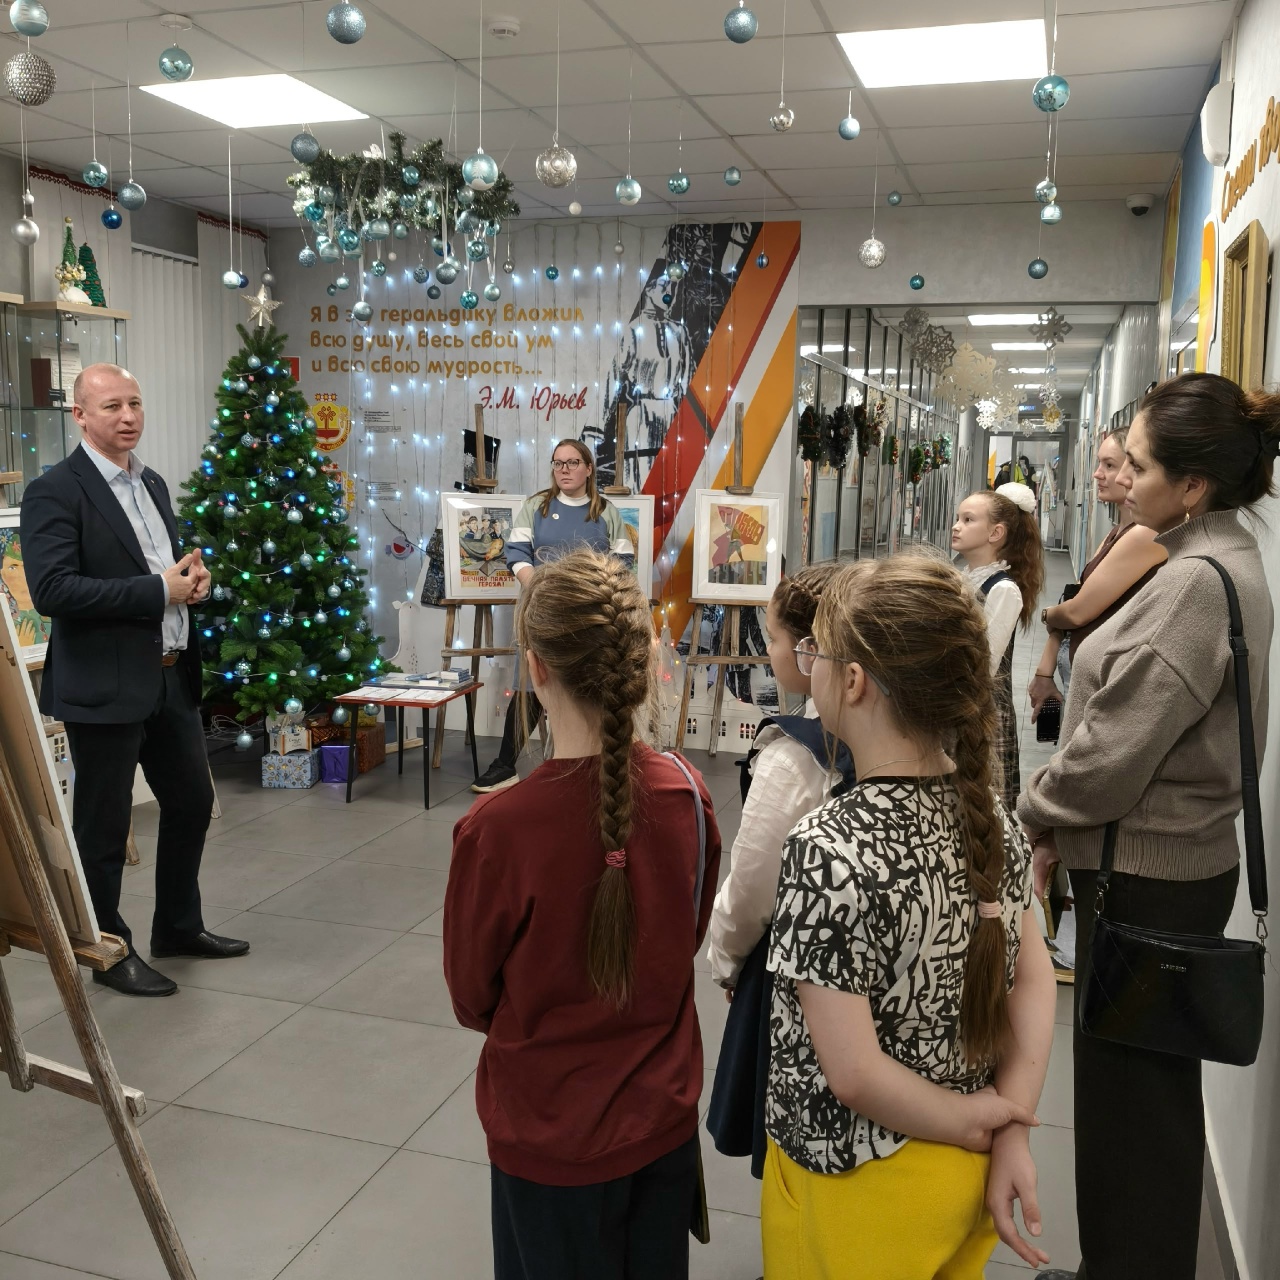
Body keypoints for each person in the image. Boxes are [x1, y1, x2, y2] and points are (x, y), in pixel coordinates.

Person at [1018, 373, 1277, 1280]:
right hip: (1162, 870)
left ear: (1193, 484)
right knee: (1140, 1103)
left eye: (1138, 464)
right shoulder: (1208, 553)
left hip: (1147, 882)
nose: (1121, 478)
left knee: (1131, 1111)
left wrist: (1031, 814)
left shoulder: (1196, 583)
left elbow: (1110, 758)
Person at [762, 555, 1057, 1279]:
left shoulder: (827, 849)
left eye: (817, 650)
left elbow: (853, 1074)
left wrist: (969, 1121)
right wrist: (1007, 1124)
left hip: (854, 1188)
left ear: (853, 682)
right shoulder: (993, 823)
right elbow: (1033, 980)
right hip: (964, 1178)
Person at [444, 548, 721, 1280]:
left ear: (535, 668)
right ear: (642, 661)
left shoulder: (496, 831)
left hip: (547, 1141)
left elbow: (472, 999)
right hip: (661, 1125)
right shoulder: (687, 796)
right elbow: (686, 937)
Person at [21, 364, 249, 998]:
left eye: (135, 404)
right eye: (112, 406)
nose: (128, 416)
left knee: (191, 804)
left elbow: (160, 570)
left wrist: (191, 583)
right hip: (104, 686)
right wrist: (158, 590)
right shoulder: (53, 491)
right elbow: (53, 590)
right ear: (80, 415)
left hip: (170, 677)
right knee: (103, 828)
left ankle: (177, 927)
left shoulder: (150, 482)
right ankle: (108, 948)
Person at [705, 562, 855, 1177]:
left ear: (809, 649)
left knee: (793, 1122)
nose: (768, 651)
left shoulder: (792, 758)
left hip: (790, 971)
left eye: (772, 637)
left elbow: (753, 885)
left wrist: (726, 957)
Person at [471, 439, 634, 793]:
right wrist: (544, 591)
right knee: (530, 688)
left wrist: (591, 594)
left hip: (590, 616)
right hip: (541, 612)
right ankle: (504, 765)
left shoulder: (606, 512)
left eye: (572, 462)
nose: (564, 469)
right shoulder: (536, 507)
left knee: (592, 689)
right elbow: (516, 554)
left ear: (588, 469)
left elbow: (622, 563)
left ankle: (598, 763)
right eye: (558, 463)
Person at [1028, 426, 1166, 718]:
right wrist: (1045, 669)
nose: (1097, 474)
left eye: (1110, 465)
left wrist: (1047, 615)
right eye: (1099, 463)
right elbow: (1074, 599)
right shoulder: (1117, 532)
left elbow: (1075, 612)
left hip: (1101, 677)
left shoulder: (1145, 534)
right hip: (1079, 666)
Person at [951, 483, 1044, 810]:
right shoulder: (967, 577)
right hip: (960, 701)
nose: (956, 526)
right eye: (958, 518)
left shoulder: (1003, 589)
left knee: (982, 805)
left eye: (968, 520)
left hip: (981, 709)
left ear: (996, 533)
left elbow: (984, 663)